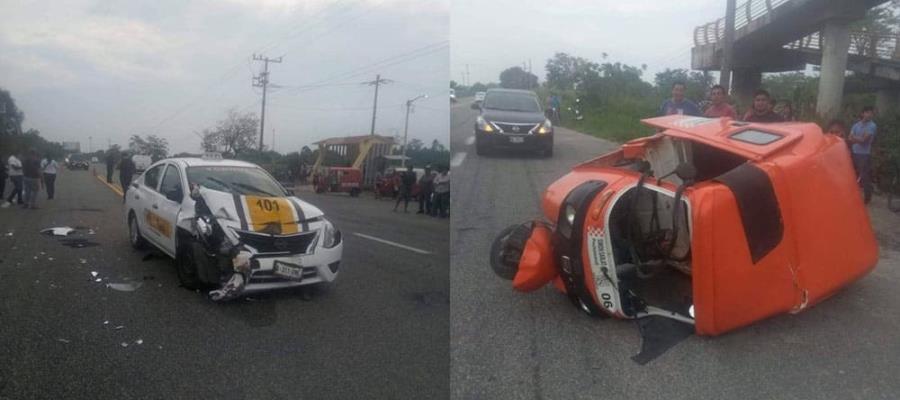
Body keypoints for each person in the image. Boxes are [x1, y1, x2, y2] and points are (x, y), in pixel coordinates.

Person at [849, 106, 877, 204]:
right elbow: (850, 138)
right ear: (863, 113)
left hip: (864, 154)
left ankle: (867, 198)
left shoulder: (872, 126)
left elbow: (864, 140)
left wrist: (855, 138)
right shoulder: (856, 125)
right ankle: (851, 195)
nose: (869, 115)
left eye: (871, 113)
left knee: (865, 176)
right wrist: (858, 139)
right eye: (867, 112)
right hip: (854, 152)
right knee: (851, 174)